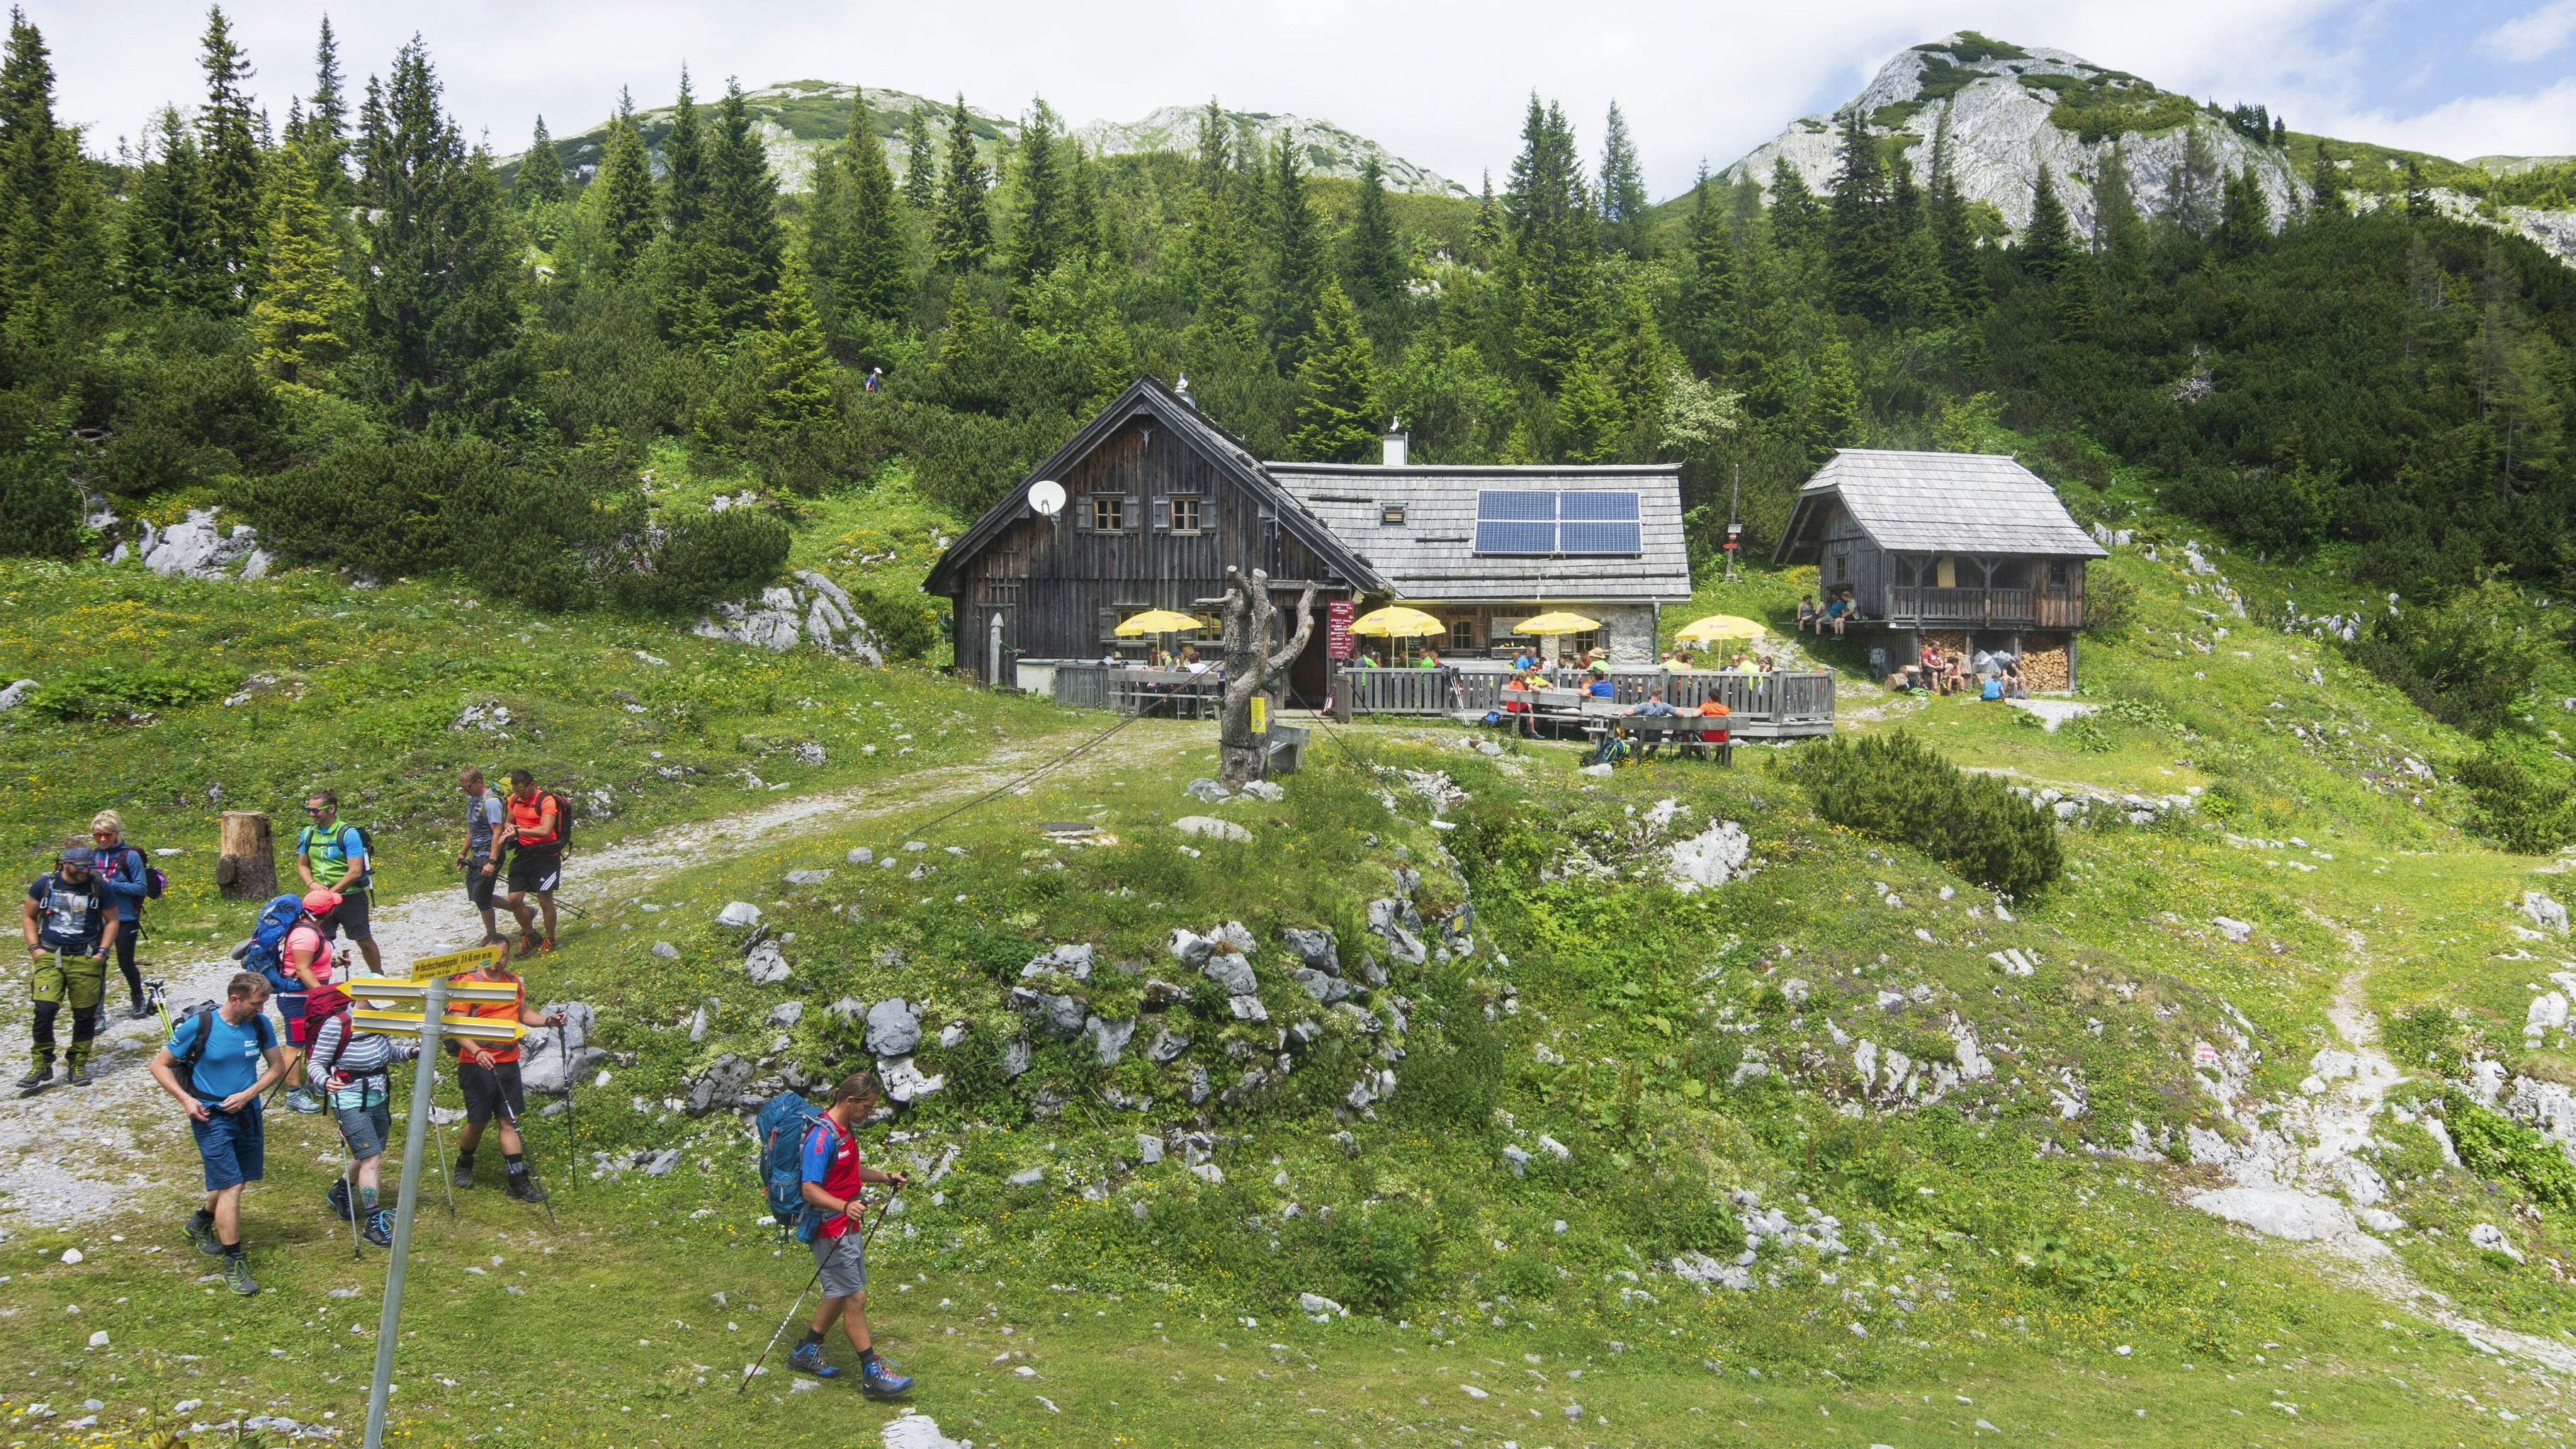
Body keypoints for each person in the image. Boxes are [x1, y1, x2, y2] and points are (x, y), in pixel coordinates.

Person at [149, 971, 286, 1295]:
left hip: (247, 1113)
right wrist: (186, 1099)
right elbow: (159, 1065)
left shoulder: (260, 1025)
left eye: (264, 1003)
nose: (261, 1010)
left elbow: (277, 1067)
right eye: (256, 1004)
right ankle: (234, 1263)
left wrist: (249, 1094)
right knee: (232, 1185)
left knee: (234, 1178)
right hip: (209, 1116)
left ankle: (199, 1223)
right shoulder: (200, 1026)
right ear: (235, 999)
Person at [789, 1071, 915, 1393]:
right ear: (849, 1101)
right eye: (867, 1107)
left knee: (841, 1291)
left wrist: (884, 1176)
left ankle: (806, 1350)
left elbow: (848, 1170)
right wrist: (843, 1207)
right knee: (855, 1297)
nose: (870, 1113)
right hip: (830, 1228)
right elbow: (809, 1189)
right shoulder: (821, 1139)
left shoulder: (843, 1132)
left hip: (847, 1225)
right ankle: (872, 1374)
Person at [448, 949, 567, 1202]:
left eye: (504, 954)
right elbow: (454, 1025)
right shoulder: (468, 982)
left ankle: (517, 1181)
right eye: (494, 954)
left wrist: (549, 1021)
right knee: (477, 1122)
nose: (500, 959)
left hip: (508, 1062)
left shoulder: (512, 981)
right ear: (483, 954)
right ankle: (464, 1162)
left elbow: (522, 1014)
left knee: (509, 1121)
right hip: (476, 1063)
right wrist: (476, 1051)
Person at [307, 975, 397, 1248]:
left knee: (369, 1153)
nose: (383, 1007)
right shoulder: (338, 1025)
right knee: (372, 1159)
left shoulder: (379, 1022)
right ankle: (372, 1221)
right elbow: (315, 1064)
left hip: (379, 1096)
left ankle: (340, 1191)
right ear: (361, 997)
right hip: (348, 1100)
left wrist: (415, 1052)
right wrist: (324, 1081)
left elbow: (389, 1053)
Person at [20, 841, 118, 1091]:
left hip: (85, 958)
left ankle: (78, 1062)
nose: (85, 871)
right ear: (65, 863)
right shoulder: (44, 885)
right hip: (49, 955)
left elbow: (112, 921)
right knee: (44, 1009)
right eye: (80, 866)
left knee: (85, 1015)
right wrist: (35, 949)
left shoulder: (99, 887)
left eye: (88, 866)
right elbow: (29, 917)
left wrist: (102, 954)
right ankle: (41, 1063)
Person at [295, 790, 381, 976]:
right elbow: (302, 865)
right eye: (308, 810)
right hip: (319, 900)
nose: (311, 814)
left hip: (350, 897)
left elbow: (355, 871)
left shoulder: (348, 834)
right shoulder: (307, 834)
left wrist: (330, 894)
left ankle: (379, 977)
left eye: (316, 810)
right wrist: (311, 884)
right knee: (316, 941)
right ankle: (318, 983)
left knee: (363, 940)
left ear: (331, 809)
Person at [276, 889, 342, 1115]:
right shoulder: (305, 934)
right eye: (333, 905)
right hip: (297, 1000)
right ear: (327, 911)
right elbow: (302, 969)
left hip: (308, 997)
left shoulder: (313, 928)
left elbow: (311, 962)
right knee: (295, 1045)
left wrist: (333, 962)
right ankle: (294, 1094)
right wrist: (324, 995)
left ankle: (316, 1083)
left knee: (315, 1040)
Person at [91, 811, 152, 1019]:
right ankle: (98, 1011)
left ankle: (138, 998)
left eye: (106, 835)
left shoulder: (130, 856)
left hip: (126, 918)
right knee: (98, 963)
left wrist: (112, 885)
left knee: (126, 962)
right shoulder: (93, 857)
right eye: (97, 835)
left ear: (115, 833)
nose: (101, 840)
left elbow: (141, 888)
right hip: (97, 920)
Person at [502, 769, 564, 954]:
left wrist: (518, 831)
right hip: (524, 854)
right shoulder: (514, 799)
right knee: (514, 899)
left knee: (545, 900)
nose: (519, 795)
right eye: (516, 791)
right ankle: (530, 936)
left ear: (532, 784)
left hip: (546, 857)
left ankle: (550, 939)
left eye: (522, 791)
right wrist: (510, 829)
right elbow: (508, 822)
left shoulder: (546, 800)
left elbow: (545, 830)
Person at [456, 767, 509, 945]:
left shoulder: (491, 802)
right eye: (463, 788)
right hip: (477, 852)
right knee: (477, 895)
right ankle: (521, 910)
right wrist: (463, 852)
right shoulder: (473, 801)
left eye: (468, 787)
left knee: (481, 896)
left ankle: (492, 935)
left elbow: (497, 832)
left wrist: (492, 862)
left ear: (479, 782)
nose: (466, 791)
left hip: (489, 853)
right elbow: (472, 829)